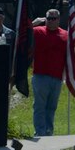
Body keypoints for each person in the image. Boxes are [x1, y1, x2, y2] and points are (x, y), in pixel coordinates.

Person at [29, 8, 68, 136]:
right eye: (48, 18)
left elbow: (70, 55)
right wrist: (33, 23)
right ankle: (40, 132)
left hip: (57, 77)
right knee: (39, 106)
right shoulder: (37, 31)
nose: (51, 21)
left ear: (58, 19)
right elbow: (21, 33)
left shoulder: (65, 35)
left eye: (54, 18)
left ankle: (48, 132)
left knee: (51, 107)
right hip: (40, 75)